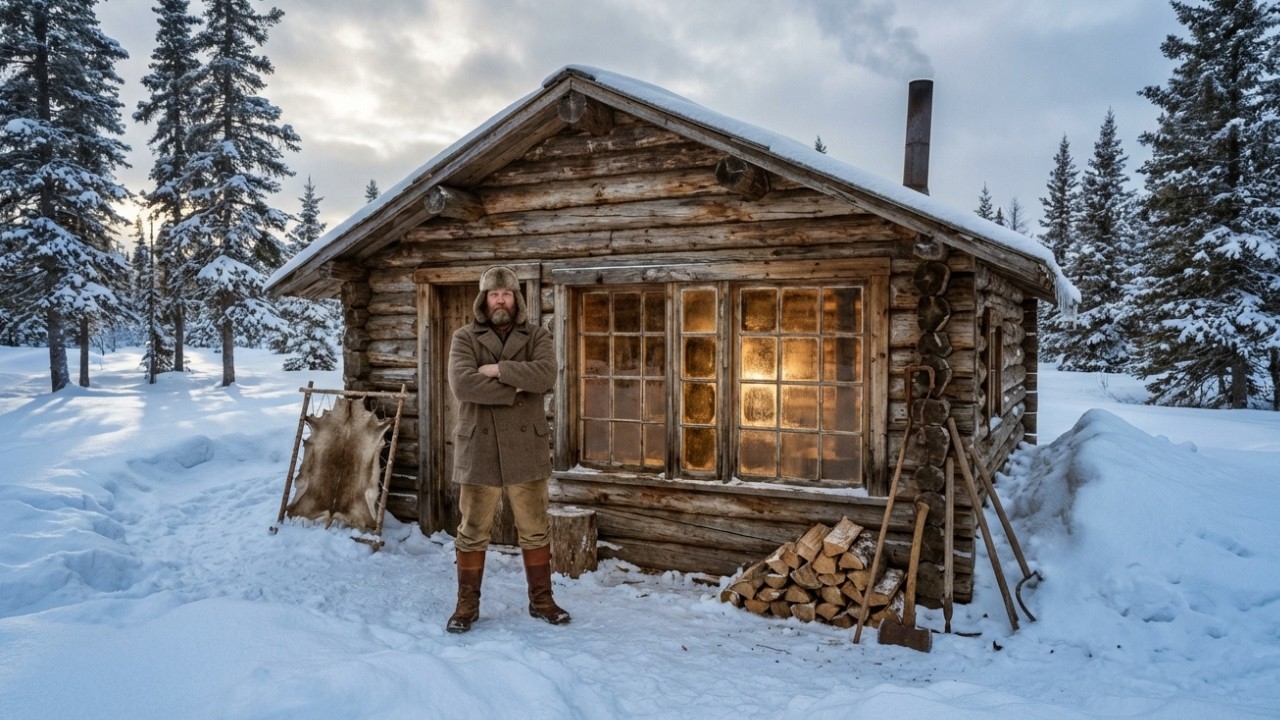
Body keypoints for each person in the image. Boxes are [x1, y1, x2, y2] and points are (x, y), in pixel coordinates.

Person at [445, 265, 571, 633]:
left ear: (517, 299)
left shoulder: (537, 335)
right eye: (494, 294)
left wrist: (496, 370)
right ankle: (466, 604)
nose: (500, 300)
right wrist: (517, 383)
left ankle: (542, 599)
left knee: (534, 528)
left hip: (524, 445)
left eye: (507, 294)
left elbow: (546, 376)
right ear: (483, 300)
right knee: (471, 529)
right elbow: (463, 385)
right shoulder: (464, 337)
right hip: (478, 444)